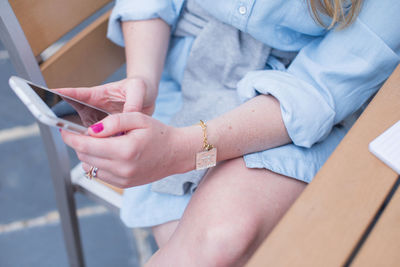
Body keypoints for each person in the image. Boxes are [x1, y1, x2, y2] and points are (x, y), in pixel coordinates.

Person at [58, 0, 400, 265]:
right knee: (216, 247)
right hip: (183, 78)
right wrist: (142, 81)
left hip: (288, 106)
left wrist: (181, 151)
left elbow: (317, 91)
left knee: (222, 242)